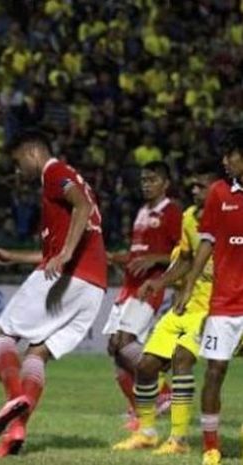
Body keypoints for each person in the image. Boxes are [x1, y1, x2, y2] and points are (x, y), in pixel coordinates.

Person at [0, 129, 107, 457]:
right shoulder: (62, 184)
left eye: (19, 161)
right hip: (94, 287)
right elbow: (54, 248)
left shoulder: (54, 172)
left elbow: (82, 204)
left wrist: (65, 255)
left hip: (70, 276)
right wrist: (12, 257)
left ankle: (13, 399)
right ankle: (16, 429)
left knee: (4, 333)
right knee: (37, 354)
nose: (19, 169)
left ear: (33, 152)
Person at [111, 160, 219, 454]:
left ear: (218, 189)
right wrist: (160, 283)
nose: (195, 190)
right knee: (146, 366)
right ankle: (146, 433)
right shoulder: (188, 218)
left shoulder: (232, 220)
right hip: (184, 306)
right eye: (193, 186)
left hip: (213, 308)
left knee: (183, 359)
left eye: (201, 186)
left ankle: (179, 440)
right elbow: (184, 259)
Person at [174, 128, 243, 465]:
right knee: (215, 370)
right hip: (225, 302)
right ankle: (212, 445)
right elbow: (207, 241)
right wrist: (188, 285)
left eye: (232, 154)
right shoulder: (218, 192)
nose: (225, 161)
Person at [102, 161, 181, 429]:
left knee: (125, 342)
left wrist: (154, 259)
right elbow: (138, 254)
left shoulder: (170, 211)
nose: (147, 184)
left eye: (153, 179)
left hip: (150, 287)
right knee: (114, 348)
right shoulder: (142, 211)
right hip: (128, 286)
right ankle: (138, 410)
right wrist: (118, 258)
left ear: (166, 183)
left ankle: (162, 392)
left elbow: (184, 252)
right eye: (144, 180)